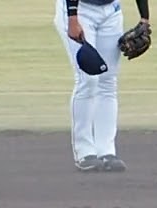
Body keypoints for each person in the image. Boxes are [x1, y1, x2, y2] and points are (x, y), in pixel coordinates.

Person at [53, 0, 150, 171]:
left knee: (108, 81)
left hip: (111, 11)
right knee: (87, 80)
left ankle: (106, 151)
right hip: (79, 11)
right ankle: (84, 152)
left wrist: (144, 18)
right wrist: (72, 18)